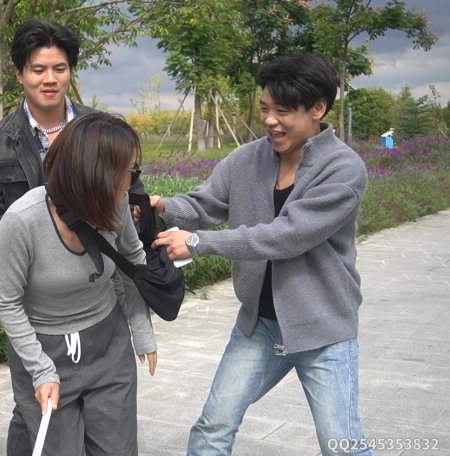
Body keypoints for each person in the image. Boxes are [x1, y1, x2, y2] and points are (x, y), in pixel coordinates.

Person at [148, 53, 374, 455]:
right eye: (266, 108)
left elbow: (287, 236)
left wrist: (199, 243)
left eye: (282, 111)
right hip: (260, 327)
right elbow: (205, 203)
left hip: (323, 331)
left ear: (318, 108)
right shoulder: (248, 158)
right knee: (212, 428)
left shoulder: (344, 169)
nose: (269, 120)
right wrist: (162, 207)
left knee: (342, 446)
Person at [0, 19, 146, 455]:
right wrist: (21, 282)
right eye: (38, 69)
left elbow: (131, 194)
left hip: (97, 290)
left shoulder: (98, 130)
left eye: (60, 68)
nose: (50, 79)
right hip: (38, 305)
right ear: (19, 73)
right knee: (37, 411)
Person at [0, 112, 157, 455]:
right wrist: (40, 369)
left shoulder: (117, 203)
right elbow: (7, 302)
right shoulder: (22, 221)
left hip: (107, 342)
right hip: (45, 350)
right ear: (96, 175)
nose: (132, 183)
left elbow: (133, 261)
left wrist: (142, 330)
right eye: (129, 172)